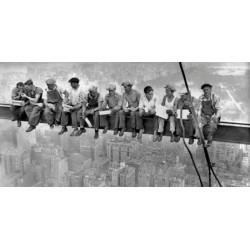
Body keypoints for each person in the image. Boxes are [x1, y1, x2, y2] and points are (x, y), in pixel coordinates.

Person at [197, 83, 221, 147]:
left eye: (207, 89)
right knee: (199, 125)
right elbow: (199, 109)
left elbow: (218, 109)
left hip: (213, 115)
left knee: (212, 126)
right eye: (204, 90)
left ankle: (209, 140)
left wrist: (216, 116)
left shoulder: (215, 97)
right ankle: (200, 138)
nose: (206, 91)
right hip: (204, 115)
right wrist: (199, 116)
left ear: (210, 90)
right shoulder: (201, 98)